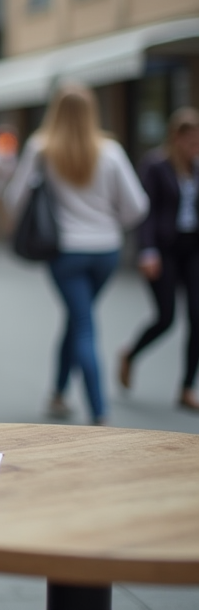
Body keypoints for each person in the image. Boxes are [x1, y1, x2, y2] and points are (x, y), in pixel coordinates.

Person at [5, 85, 148, 426]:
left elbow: (14, 200)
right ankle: (57, 393)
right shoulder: (110, 151)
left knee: (82, 324)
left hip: (65, 253)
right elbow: (137, 207)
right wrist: (109, 221)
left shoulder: (41, 147)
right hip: (106, 252)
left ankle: (99, 412)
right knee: (78, 318)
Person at [118, 107, 199, 412]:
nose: (196, 147)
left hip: (192, 248)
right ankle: (130, 354)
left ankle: (187, 387)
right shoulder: (155, 166)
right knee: (166, 318)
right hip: (164, 250)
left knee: (197, 316)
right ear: (176, 138)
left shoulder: (196, 167)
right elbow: (145, 213)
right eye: (191, 141)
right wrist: (147, 251)